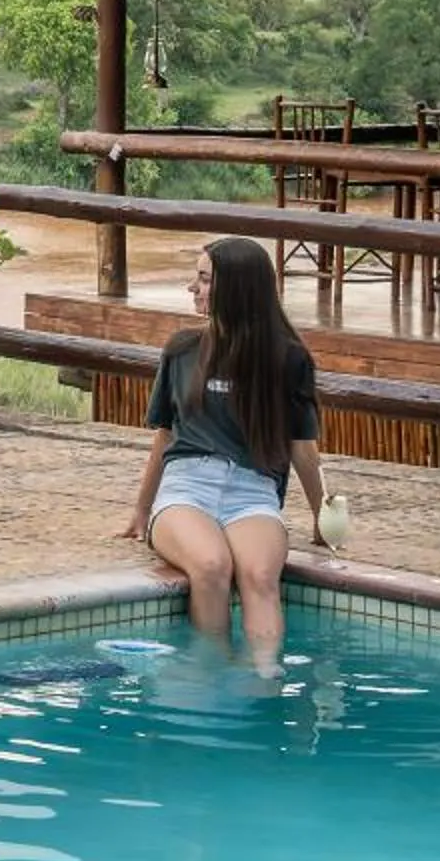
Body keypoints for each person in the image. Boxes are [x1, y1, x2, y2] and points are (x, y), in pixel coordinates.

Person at [118, 237, 340, 675]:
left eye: (203, 279)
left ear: (235, 289)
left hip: (252, 491)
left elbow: (302, 448)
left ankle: (263, 681)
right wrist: (141, 511)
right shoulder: (182, 350)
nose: (192, 288)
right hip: (186, 487)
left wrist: (321, 517)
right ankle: (210, 673)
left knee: (259, 577)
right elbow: (164, 436)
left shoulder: (287, 359)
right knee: (212, 564)